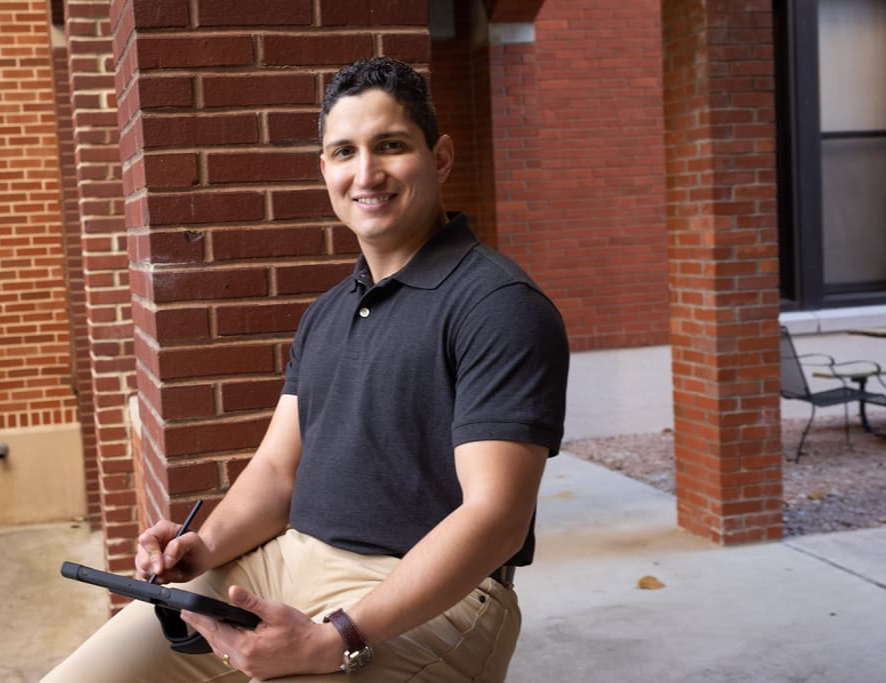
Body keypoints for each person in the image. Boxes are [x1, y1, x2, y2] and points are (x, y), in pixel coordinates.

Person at [43, 57, 568, 683]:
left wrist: (337, 637)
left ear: (441, 157)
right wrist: (202, 548)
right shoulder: (325, 314)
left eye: (391, 146)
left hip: (427, 595)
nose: (366, 172)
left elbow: (496, 518)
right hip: (282, 564)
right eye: (344, 152)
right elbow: (276, 471)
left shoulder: (497, 305)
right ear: (325, 169)